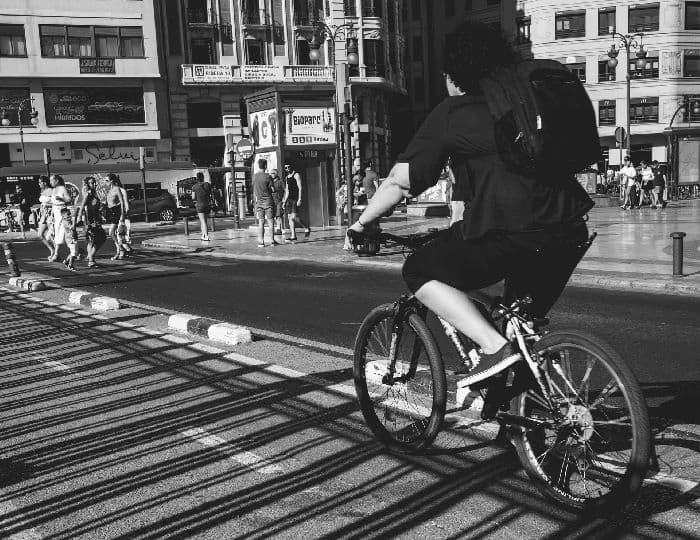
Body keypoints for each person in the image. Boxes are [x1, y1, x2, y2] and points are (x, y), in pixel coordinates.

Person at [345, 20, 593, 388]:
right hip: (569, 229)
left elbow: (400, 181)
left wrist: (362, 223)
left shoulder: (455, 113)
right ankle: (520, 421)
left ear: (455, 74)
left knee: (418, 270)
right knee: (518, 325)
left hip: (509, 232)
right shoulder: (526, 104)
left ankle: (493, 348)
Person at [76, 176, 107, 268]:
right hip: (91, 220)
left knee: (91, 241)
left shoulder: (93, 193)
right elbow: (82, 206)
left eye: (94, 182)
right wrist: (79, 218)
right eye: (92, 183)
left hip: (94, 219)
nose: (94, 184)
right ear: (88, 185)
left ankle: (91, 259)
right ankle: (91, 259)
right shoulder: (88, 193)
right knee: (100, 238)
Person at [49, 174, 74, 263]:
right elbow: (52, 203)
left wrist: (61, 199)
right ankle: (76, 251)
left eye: (52, 180)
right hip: (55, 213)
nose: (50, 182)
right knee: (57, 234)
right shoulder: (54, 190)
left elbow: (69, 199)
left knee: (63, 233)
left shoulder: (62, 189)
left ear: (57, 180)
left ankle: (57, 254)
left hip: (62, 212)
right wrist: (51, 215)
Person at [252, 158, 276, 247]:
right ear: (265, 166)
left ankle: (261, 241)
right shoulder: (267, 176)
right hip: (268, 201)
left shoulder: (254, 176)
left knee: (261, 222)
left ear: (259, 165)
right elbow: (273, 189)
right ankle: (272, 241)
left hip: (259, 201)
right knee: (270, 221)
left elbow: (254, 189)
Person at [283, 163, 311, 241]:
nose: (287, 168)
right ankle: (293, 235)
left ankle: (306, 227)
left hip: (295, 198)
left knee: (294, 216)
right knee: (290, 218)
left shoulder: (296, 175)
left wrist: (300, 198)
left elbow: (300, 187)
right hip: (289, 199)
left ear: (291, 167)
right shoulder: (287, 177)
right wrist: (284, 201)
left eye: (289, 167)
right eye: (286, 167)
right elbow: (287, 190)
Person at [105, 173, 127, 260]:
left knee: (111, 232)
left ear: (111, 181)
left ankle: (120, 249)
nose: (105, 182)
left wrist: (122, 215)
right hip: (111, 212)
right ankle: (120, 249)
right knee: (113, 233)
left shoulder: (116, 189)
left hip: (116, 212)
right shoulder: (109, 190)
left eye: (107, 180)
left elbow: (122, 202)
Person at [36, 176, 55, 260]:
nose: (39, 184)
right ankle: (52, 250)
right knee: (40, 234)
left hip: (51, 215)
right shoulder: (42, 191)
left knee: (54, 237)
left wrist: (46, 205)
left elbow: (56, 202)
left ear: (45, 183)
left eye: (40, 182)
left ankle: (56, 253)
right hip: (44, 215)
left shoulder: (51, 191)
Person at [113, 176, 133, 255]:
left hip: (123, 215)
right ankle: (126, 249)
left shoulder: (122, 191)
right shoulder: (113, 191)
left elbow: (126, 203)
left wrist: (125, 215)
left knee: (122, 234)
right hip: (117, 216)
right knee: (118, 234)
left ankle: (126, 250)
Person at [191, 172, 211, 241]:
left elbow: (193, 197)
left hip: (199, 205)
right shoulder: (207, 184)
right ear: (203, 177)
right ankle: (203, 235)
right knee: (204, 220)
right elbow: (210, 193)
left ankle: (206, 236)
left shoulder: (194, 187)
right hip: (207, 204)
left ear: (197, 178)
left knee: (202, 221)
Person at [59, 206, 79, 271]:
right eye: (68, 215)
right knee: (74, 253)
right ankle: (70, 265)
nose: (69, 216)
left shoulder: (67, 221)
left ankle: (67, 261)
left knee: (73, 252)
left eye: (69, 214)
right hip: (71, 239)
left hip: (71, 238)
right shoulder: (66, 222)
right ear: (63, 216)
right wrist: (74, 218)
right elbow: (72, 228)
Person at [270, 168, 285, 235]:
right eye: (271, 173)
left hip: (279, 200)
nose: (272, 174)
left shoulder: (280, 182)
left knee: (279, 215)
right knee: (275, 215)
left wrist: (284, 199)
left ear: (276, 174)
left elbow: (285, 190)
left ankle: (280, 228)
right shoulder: (270, 182)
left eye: (273, 173)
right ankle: (279, 228)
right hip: (272, 201)